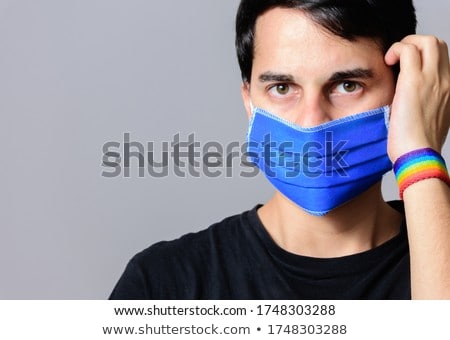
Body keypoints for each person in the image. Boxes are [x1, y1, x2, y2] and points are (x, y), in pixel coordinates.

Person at [109, 0, 450, 299]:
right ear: (250, 103)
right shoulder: (162, 285)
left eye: (348, 85)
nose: (311, 121)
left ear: (405, 91)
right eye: (282, 87)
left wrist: (420, 157)